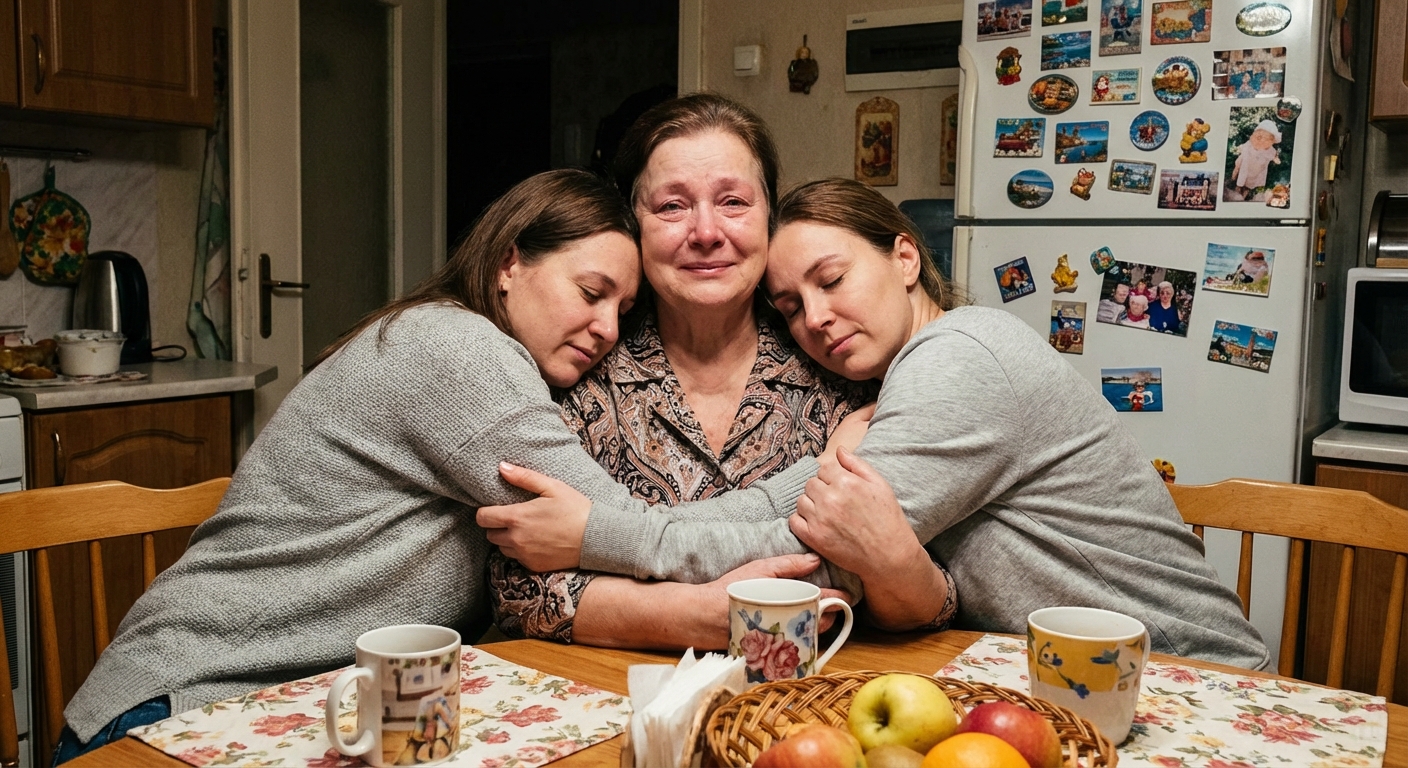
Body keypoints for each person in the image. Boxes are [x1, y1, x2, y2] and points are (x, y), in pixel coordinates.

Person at [55, 170, 834, 764]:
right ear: (508, 264)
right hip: (180, 706)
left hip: (318, 711)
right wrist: (819, 477)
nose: (604, 329)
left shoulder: (484, 353)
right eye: (590, 293)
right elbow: (637, 534)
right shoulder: (457, 352)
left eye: (620, 313)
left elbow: (609, 535)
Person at [759, 178, 1268, 668]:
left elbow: (822, 547)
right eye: (791, 309)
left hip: (1189, 677)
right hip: (1065, 677)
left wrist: (674, 539)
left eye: (831, 280)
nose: (815, 317)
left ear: (906, 259)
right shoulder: (892, 384)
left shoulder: (957, 357)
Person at [487, 93, 910, 649]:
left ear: (769, 217)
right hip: (618, 702)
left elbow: (917, 567)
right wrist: (691, 616)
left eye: (733, 201)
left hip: (814, 698)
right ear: (632, 224)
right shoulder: (572, 373)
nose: (706, 232)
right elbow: (517, 586)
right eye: (671, 207)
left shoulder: (844, 363)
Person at [1232, 120, 1282, 198]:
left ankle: (1244, 194)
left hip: (1257, 169)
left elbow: (1274, 155)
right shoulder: (1250, 144)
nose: (1260, 140)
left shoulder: (1270, 150)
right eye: (1259, 137)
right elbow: (1244, 146)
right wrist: (1239, 149)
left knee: (1251, 182)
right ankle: (1234, 182)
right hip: (1245, 164)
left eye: (1265, 138)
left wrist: (1276, 159)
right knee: (1238, 170)